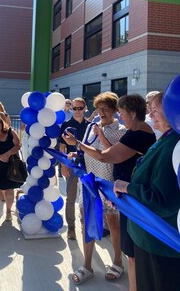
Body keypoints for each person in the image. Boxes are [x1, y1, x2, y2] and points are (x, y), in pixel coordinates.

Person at [64, 94, 156, 290]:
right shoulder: (91, 127)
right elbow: (90, 151)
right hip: (90, 182)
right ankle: (87, 265)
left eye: (107, 109)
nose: (102, 113)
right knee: (86, 219)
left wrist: (83, 142)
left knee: (114, 224)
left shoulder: (125, 131)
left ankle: (117, 262)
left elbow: (110, 156)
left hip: (112, 184)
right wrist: (77, 153)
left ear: (117, 111)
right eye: (99, 109)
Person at [114, 92, 180, 291]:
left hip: (159, 245)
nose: (150, 115)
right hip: (147, 238)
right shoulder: (165, 140)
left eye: (155, 111)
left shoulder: (173, 146)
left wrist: (127, 187)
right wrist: (124, 198)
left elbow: (161, 200)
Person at [58, 97, 89, 240]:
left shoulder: (90, 125)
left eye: (80, 108)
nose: (77, 111)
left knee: (88, 196)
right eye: (74, 108)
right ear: (71, 109)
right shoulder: (66, 124)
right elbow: (62, 147)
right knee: (70, 197)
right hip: (71, 164)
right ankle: (71, 226)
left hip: (88, 165)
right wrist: (63, 166)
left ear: (85, 108)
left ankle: (87, 223)